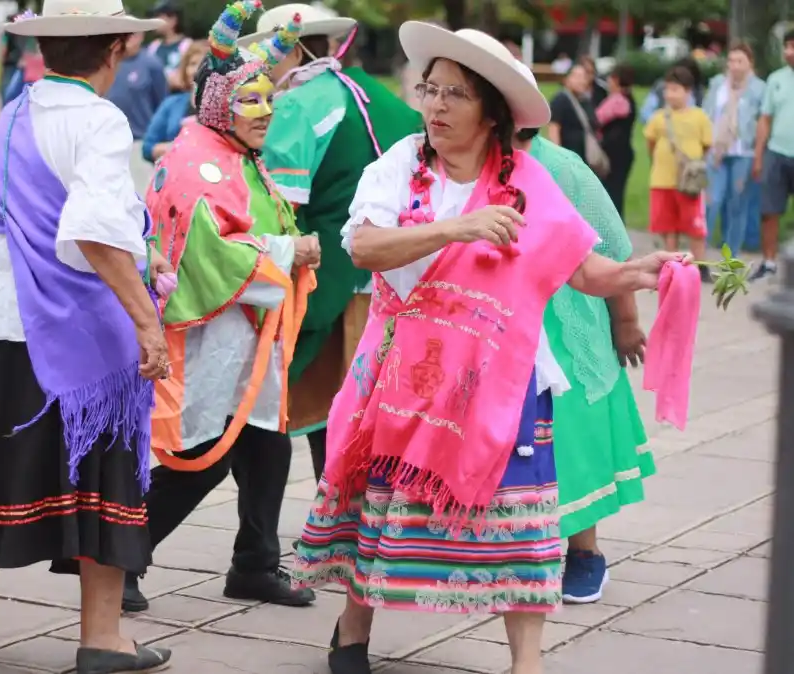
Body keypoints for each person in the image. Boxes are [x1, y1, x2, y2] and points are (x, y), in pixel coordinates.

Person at [291, 23, 687, 674]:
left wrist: (639, 272)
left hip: (506, 375)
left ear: (492, 111)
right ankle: (353, 629)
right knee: (384, 513)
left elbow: (582, 268)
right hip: (410, 373)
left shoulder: (527, 181)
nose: (436, 106)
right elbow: (363, 246)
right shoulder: (400, 166)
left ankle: (524, 662)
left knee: (526, 529)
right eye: (430, 90)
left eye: (455, 94)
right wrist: (458, 226)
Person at [0, 2, 176, 672]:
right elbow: (91, 230)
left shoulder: (19, 110)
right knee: (105, 482)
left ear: (44, 47)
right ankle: (103, 637)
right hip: (76, 339)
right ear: (117, 48)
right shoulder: (99, 120)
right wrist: (146, 317)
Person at [124, 0, 319, 615]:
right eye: (251, 99)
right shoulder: (197, 161)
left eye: (269, 96)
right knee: (199, 456)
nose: (268, 109)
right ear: (218, 104)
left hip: (248, 331)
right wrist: (293, 250)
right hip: (213, 332)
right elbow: (213, 251)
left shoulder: (231, 150)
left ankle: (255, 565)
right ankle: (119, 561)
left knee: (267, 444)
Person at [237, 3, 422, 480]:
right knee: (354, 406)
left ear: (293, 49)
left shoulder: (298, 103)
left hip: (323, 280)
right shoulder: (374, 94)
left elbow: (278, 206)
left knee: (286, 406)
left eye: (265, 55)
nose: (258, 67)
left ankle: (320, 531)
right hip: (385, 276)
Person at [513, 60, 652, 605]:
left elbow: (614, 251)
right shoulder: (465, 169)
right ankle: (513, 545)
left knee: (574, 433)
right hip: (503, 326)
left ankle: (585, 550)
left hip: (567, 322)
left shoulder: (563, 168)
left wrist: (626, 321)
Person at [644, 65, 713, 280]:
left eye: (675, 89)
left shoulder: (699, 117)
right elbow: (650, 143)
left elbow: (707, 146)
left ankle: (700, 266)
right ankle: (672, 265)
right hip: (662, 181)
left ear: (688, 91)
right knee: (667, 226)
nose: (670, 94)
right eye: (668, 89)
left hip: (688, 183)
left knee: (695, 226)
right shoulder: (658, 118)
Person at [704, 43, 765, 259]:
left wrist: (759, 155)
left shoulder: (758, 88)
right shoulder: (717, 84)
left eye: (740, 61)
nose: (734, 66)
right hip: (716, 152)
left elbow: (762, 123)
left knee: (737, 203)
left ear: (750, 63)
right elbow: (706, 113)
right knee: (713, 200)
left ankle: (731, 257)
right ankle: (701, 252)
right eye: (731, 61)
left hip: (743, 153)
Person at [751, 30, 794, 282]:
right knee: (769, 211)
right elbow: (765, 119)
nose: (789, 51)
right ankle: (769, 263)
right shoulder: (776, 79)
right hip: (776, 153)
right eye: (787, 46)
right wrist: (759, 156)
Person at [141, 39, 206, 161]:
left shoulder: (226, 104)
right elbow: (147, 148)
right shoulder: (171, 104)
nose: (197, 69)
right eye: (192, 64)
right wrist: (179, 147)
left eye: (203, 63)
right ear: (185, 69)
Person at [105, 29, 168, 141]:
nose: (128, 38)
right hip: (110, 138)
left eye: (132, 35)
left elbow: (162, 104)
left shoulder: (152, 64)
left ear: (141, 36)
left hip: (140, 138)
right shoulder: (107, 64)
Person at [595, 64, 637, 218]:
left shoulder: (618, 100)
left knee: (612, 194)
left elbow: (597, 118)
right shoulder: (629, 99)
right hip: (623, 152)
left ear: (616, 79)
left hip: (614, 154)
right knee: (616, 193)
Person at [548, 63, 599, 163]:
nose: (581, 81)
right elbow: (554, 129)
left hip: (583, 159)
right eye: (577, 77)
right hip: (567, 159)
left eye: (584, 77)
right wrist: (558, 158)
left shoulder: (585, 101)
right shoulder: (560, 100)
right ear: (567, 79)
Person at [639, 56, 705, 124]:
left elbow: (704, 113)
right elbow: (645, 113)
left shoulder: (698, 91)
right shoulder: (660, 87)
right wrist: (662, 123)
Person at [146, 0, 192, 89]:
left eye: (159, 16)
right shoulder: (154, 47)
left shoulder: (187, 45)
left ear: (173, 20)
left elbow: (185, 79)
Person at [0, 16, 24, 106]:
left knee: (5, 86)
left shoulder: (7, 33)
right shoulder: (22, 33)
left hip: (9, 62)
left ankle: (5, 107)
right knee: (17, 86)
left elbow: (4, 48)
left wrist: (1, 61)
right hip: (19, 63)